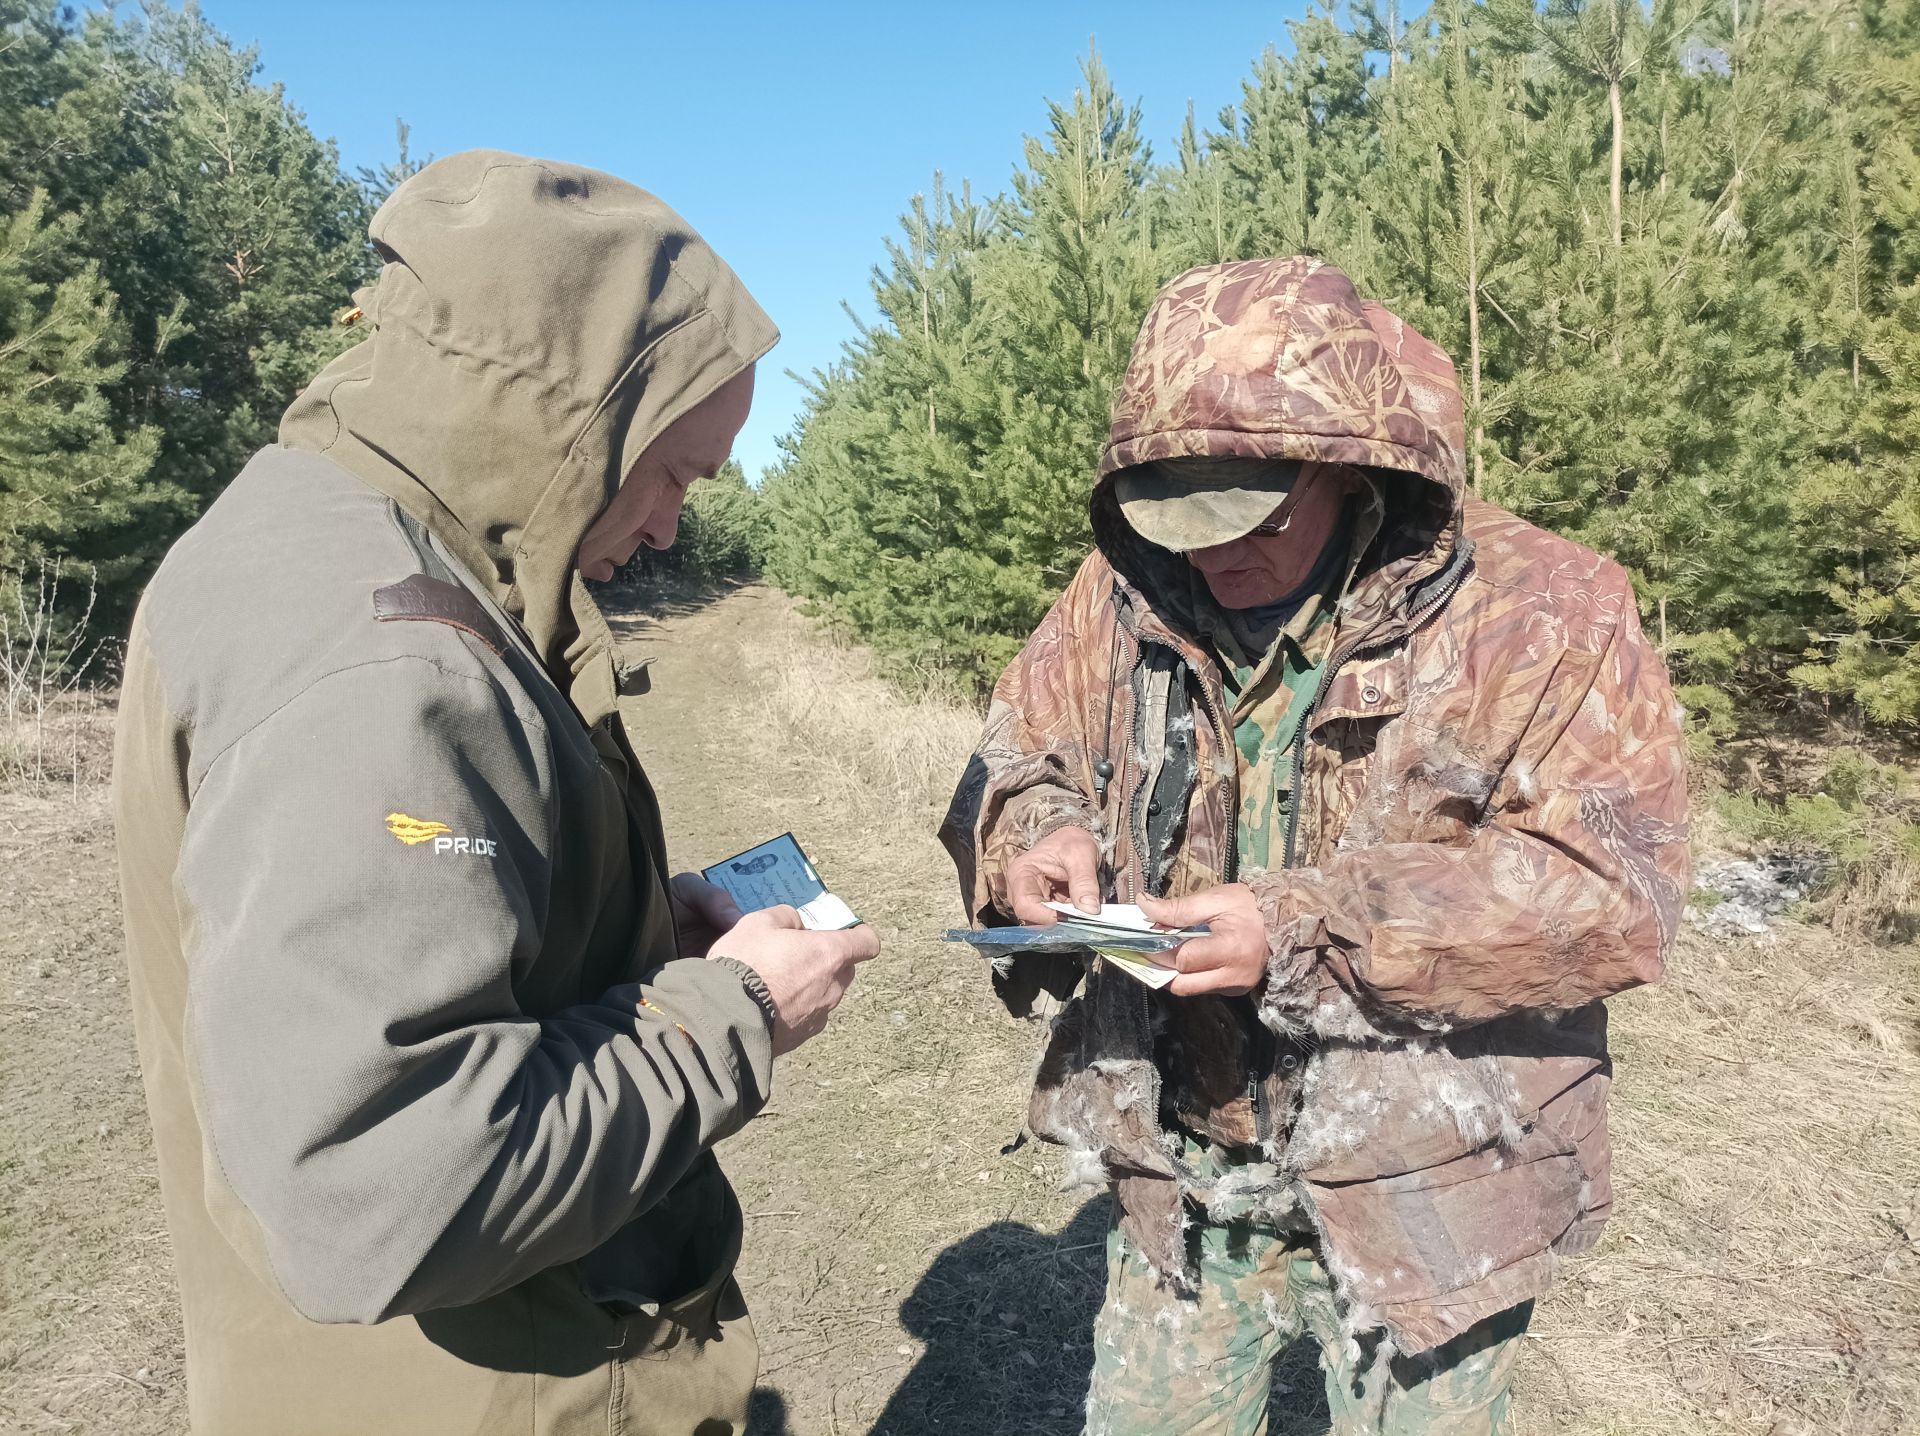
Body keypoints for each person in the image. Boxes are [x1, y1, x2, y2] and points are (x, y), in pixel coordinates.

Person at [113, 151, 879, 1435]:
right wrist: (731, 1006)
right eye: (676, 473)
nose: (676, 528)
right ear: (572, 424)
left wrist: (631, 948)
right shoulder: (386, 667)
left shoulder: (309, 523)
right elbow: (390, 1187)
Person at [939, 257, 1689, 1435]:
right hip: (1185, 1160)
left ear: (1351, 466)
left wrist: (1303, 928)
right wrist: (1038, 830)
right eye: (1173, 515)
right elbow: (1018, 740)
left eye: (1250, 517)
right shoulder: (1121, 590)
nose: (1207, 555)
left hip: (1433, 1176)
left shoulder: (1552, 611)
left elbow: (1610, 892)